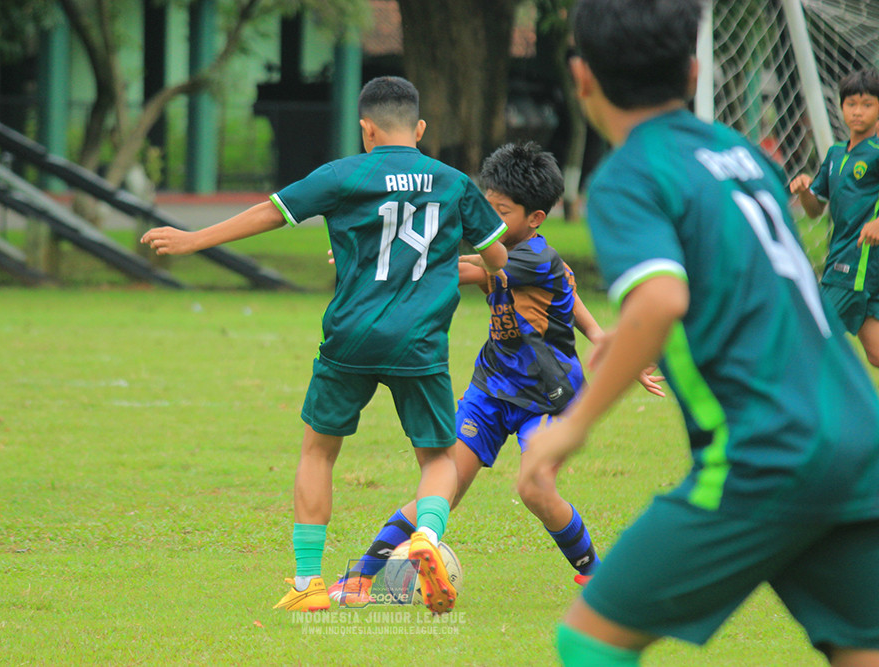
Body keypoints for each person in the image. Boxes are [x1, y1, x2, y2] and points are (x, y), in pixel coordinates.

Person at [520, 0, 879, 665]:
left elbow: (660, 299)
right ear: (692, 70)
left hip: (767, 451)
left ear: (582, 76)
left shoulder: (629, 174)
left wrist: (571, 426)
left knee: (587, 637)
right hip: (858, 433)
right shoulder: (738, 151)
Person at [142, 76, 508, 614]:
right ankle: (426, 537)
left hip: (351, 337)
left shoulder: (343, 175)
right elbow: (499, 260)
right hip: (421, 342)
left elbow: (271, 212)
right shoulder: (454, 183)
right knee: (436, 458)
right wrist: (489, 291)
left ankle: (308, 584)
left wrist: (193, 239)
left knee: (319, 450)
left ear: (366, 129)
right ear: (420, 129)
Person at [328, 142, 665, 606]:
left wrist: (373, 262)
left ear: (535, 220)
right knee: (444, 483)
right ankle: (362, 577)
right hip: (491, 388)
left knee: (534, 487)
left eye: (501, 212)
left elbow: (458, 270)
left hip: (548, 398)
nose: (488, 220)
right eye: (486, 207)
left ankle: (596, 574)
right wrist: (598, 333)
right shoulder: (535, 257)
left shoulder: (529, 258)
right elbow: (567, 279)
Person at [790, 67, 879, 369]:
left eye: (867, 104)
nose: (858, 111)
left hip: (855, 266)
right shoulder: (835, 154)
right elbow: (816, 209)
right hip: (849, 264)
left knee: (807, 340)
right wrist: (804, 191)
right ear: (841, 106)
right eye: (851, 104)